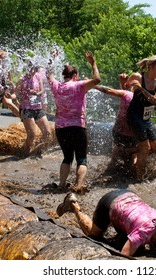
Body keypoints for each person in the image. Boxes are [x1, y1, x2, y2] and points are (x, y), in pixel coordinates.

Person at [56, 189, 156, 257]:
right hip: (110, 202)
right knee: (93, 235)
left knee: (148, 248)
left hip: (128, 195)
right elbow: (123, 256)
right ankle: (74, 205)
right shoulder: (143, 232)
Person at [48, 51, 100, 189]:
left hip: (61, 128)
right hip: (78, 127)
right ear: (75, 76)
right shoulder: (79, 85)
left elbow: (49, 74)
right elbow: (97, 80)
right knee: (81, 158)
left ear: (64, 76)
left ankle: (61, 184)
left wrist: (52, 59)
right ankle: (78, 186)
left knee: (67, 158)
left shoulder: (56, 86)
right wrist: (93, 63)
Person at [125, 55, 156, 181]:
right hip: (134, 115)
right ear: (150, 67)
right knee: (146, 148)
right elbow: (127, 87)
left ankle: (132, 151)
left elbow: (155, 101)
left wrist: (141, 89)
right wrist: (128, 85)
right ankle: (139, 177)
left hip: (146, 118)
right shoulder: (137, 77)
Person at [94, 73, 137, 167]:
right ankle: (134, 170)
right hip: (134, 131)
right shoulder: (145, 99)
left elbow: (109, 90)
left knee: (118, 148)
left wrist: (94, 85)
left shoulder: (127, 94)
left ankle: (112, 165)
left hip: (120, 129)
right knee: (134, 152)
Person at [14, 63, 51, 156]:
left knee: (47, 133)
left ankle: (36, 151)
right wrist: (12, 96)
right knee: (32, 135)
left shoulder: (38, 76)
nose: (31, 72)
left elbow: (42, 90)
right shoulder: (22, 79)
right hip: (26, 109)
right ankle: (22, 154)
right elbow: (16, 94)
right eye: (29, 69)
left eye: (33, 70)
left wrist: (36, 93)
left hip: (38, 108)